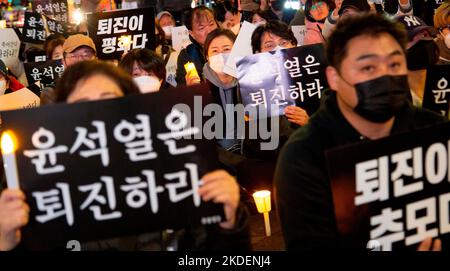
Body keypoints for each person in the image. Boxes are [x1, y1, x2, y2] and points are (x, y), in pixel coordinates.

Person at [0, 60, 250, 251]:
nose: (97, 114)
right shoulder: (40, 191)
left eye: (108, 101)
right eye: (82, 105)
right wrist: (7, 242)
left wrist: (228, 225)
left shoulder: (176, 173)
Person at [274, 12, 446, 251]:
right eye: (367, 67)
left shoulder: (435, 131)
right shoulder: (305, 155)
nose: (385, 76)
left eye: (394, 64)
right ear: (334, 78)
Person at [396, 14, 440, 106]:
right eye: (410, 38)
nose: (421, 40)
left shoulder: (443, 83)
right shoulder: (393, 99)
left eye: (425, 34)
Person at [175, 6, 219, 86]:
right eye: (201, 28)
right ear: (192, 34)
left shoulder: (230, 45)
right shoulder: (187, 56)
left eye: (211, 24)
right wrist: (193, 90)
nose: (209, 31)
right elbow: (189, 96)